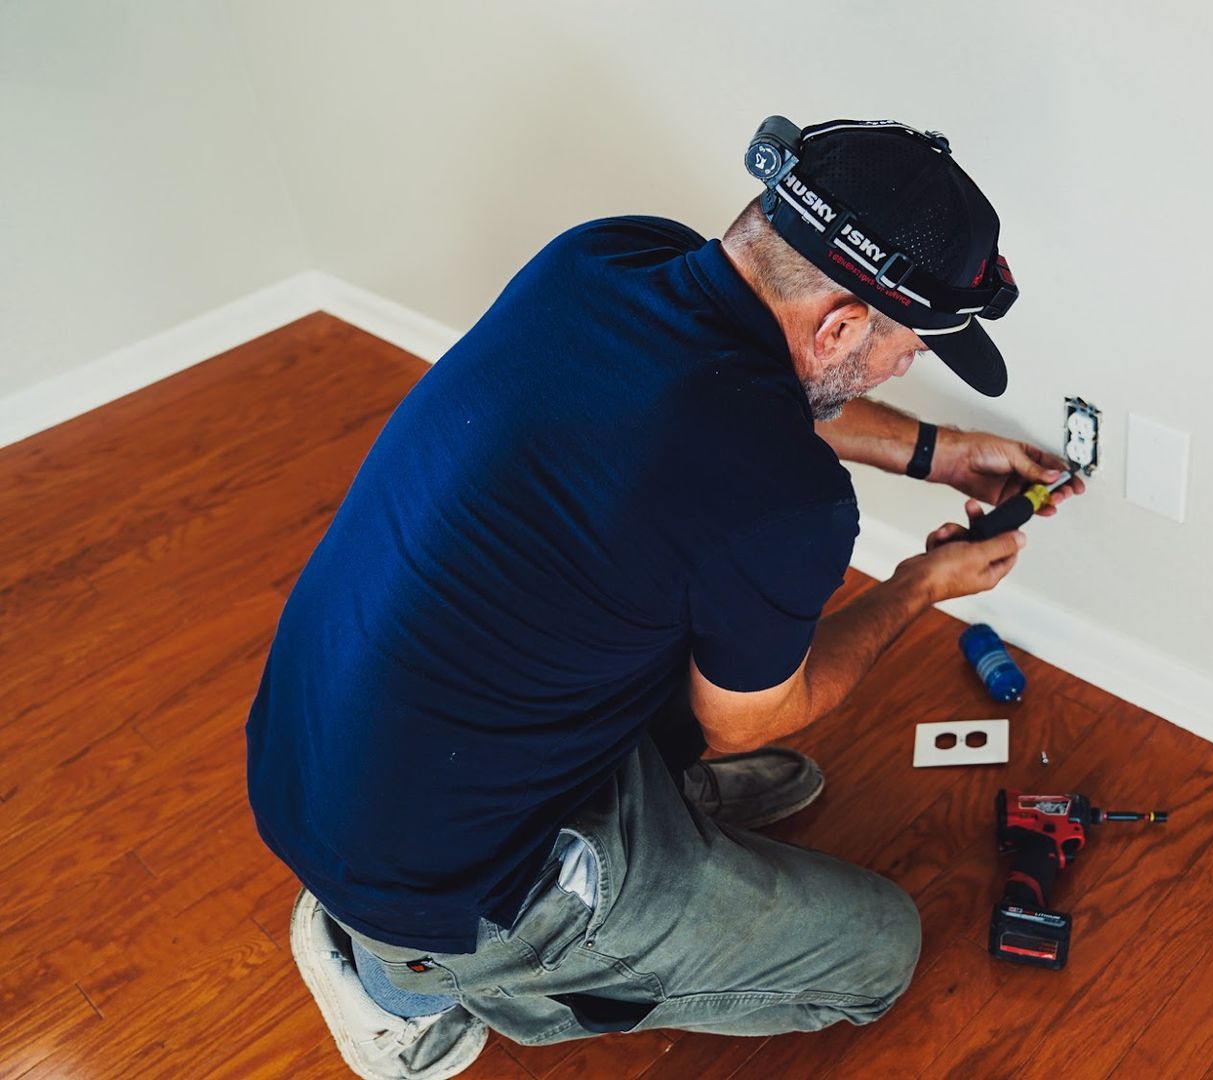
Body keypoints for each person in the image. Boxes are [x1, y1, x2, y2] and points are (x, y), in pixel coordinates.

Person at [245, 117, 1082, 1079]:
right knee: (878, 951)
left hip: (309, 750)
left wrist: (939, 452)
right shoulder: (783, 502)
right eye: (911, 348)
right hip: (434, 876)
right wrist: (918, 586)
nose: (910, 367)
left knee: (668, 606)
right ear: (844, 324)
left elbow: (747, 395)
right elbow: (753, 721)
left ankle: (646, 818)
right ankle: (400, 982)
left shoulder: (607, 258)